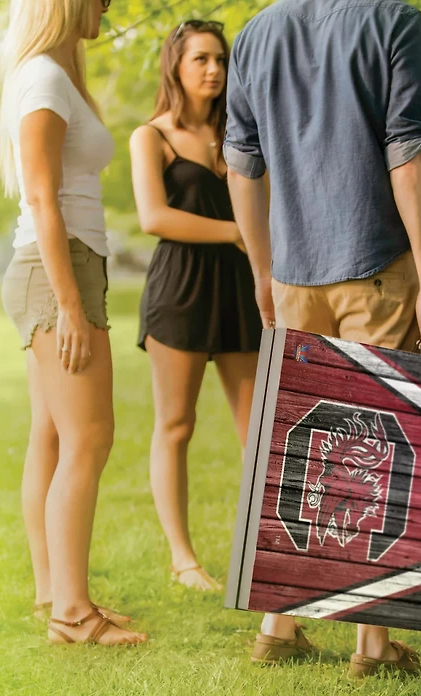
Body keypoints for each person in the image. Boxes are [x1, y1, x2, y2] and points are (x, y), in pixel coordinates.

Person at [225, 0, 421, 676]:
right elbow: (408, 152)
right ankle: (372, 649)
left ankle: (279, 629)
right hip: (375, 263)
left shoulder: (256, 34)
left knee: (302, 443)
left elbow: (241, 163)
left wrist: (262, 270)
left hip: (295, 273)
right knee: (377, 449)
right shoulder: (396, 22)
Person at [0, 0, 147, 645]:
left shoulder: (52, 75)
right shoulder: (43, 79)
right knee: (88, 437)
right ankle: (72, 615)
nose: (109, 4)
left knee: (54, 439)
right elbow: (39, 196)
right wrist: (69, 306)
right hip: (56, 272)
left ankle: (54, 598)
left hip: (62, 266)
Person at [129, 21, 262, 591]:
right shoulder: (151, 136)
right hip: (179, 292)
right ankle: (183, 560)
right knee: (176, 425)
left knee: (258, 431)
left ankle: (265, 554)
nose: (213, 69)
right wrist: (235, 230)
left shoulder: (243, 134)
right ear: (176, 67)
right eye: (200, 59)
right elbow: (153, 218)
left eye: (220, 59)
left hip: (241, 290)